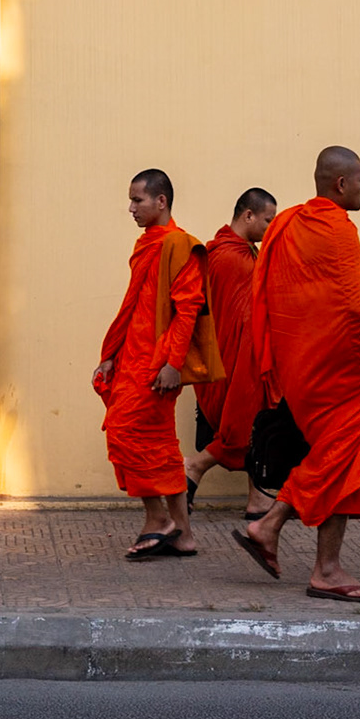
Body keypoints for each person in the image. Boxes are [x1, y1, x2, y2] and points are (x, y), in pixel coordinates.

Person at [232, 147, 360, 602]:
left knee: (338, 458)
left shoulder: (287, 223)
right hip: (341, 374)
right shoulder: (338, 231)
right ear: (341, 185)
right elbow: (356, 305)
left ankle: (288, 541)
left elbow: (268, 294)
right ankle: (310, 559)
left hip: (302, 368)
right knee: (341, 454)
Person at [92, 169, 224, 560]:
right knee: (162, 445)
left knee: (123, 431)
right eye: (131, 200)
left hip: (156, 361)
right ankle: (183, 535)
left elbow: (188, 311)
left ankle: (157, 521)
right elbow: (135, 305)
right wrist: (112, 354)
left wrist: (172, 363)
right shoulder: (148, 244)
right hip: (133, 355)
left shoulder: (180, 246)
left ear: (161, 201)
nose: (131, 208)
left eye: (138, 200)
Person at [185, 188, 278, 519]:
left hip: (237, 358)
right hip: (234, 362)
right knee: (251, 419)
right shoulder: (230, 258)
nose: (271, 227)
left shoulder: (242, 253)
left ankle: (258, 499)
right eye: (268, 220)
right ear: (248, 216)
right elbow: (246, 321)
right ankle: (194, 467)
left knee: (258, 423)